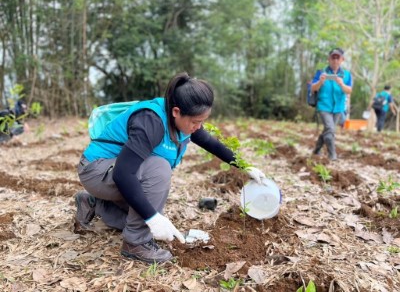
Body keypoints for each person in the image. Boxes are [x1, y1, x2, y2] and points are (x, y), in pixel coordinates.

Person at [75, 72, 266, 263]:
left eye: (202, 121)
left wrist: (244, 166)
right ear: (176, 111)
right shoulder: (150, 122)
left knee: (142, 215)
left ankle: (95, 203)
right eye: (195, 121)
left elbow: (212, 143)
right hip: (96, 170)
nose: (198, 127)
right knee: (158, 169)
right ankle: (135, 243)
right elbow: (124, 174)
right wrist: (152, 218)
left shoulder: (185, 121)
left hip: (115, 171)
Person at [310, 48, 353, 160]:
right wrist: (320, 82)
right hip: (324, 106)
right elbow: (313, 88)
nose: (335, 60)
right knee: (330, 129)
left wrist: (342, 84)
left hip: (338, 108)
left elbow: (349, 90)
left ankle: (316, 150)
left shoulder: (347, 75)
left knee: (328, 130)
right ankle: (332, 155)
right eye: (333, 58)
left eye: (337, 58)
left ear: (342, 59)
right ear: (328, 59)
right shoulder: (321, 72)